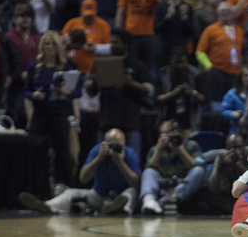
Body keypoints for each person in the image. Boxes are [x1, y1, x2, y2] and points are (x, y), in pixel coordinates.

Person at [19, 128, 141, 216]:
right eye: (111, 142)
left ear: (124, 141)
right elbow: (83, 179)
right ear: (105, 142)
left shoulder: (130, 154)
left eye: (117, 141)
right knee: (70, 193)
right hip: (99, 195)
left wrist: (120, 163)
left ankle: (118, 209)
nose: (114, 145)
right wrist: (98, 158)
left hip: (121, 195)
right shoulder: (98, 151)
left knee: (132, 193)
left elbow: (136, 183)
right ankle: (47, 206)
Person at [25, 31, 82, 188]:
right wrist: (34, 95)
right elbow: (26, 90)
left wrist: (64, 92)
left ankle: (63, 183)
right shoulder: (34, 67)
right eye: (46, 44)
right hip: (40, 113)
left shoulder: (67, 67)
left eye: (52, 44)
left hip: (59, 112)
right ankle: (37, 184)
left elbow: (76, 92)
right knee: (36, 147)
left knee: (62, 150)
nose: (49, 47)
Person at [88, 27, 153, 159]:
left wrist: (131, 83)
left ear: (125, 45)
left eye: (116, 42)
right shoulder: (102, 63)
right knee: (102, 159)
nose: (112, 45)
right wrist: (95, 82)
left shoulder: (137, 65)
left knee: (131, 160)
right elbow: (90, 91)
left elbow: (150, 90)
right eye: (111, 42)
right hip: (107, 120)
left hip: (130, 121)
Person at [139, 119, 206, 215]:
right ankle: (149, 201)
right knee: (148, 172)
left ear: (177, 132)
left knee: (199, 170)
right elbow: (149, 168)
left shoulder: (191, 145)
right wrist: (158, 150)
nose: (167, 138)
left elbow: (200, 165)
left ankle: (174, 197)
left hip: (183, 187)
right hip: (163, 186)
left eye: (168, 134)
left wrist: (180, 150)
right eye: (163, 135)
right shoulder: (155, 149)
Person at [115, 0, 164, 73]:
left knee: (150, 64)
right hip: (131, 33)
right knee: (133, 64)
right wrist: (119, 33)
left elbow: (163, 3)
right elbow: (120, 12)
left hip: (149, 33)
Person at [196, 1, 243, 103]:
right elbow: (200, 52)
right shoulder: (210, 29)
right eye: (222, 11)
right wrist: (210, 67)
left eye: (228, 11)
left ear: (233, 13)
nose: (225, 13)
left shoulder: (239, 30)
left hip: (235, 75)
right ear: (218, 13)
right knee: (216, 103)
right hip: (216, 74)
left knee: (232, 103)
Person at [156, 48, 204, 130]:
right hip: (168, 118)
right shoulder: (163, 73)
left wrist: (192, 92)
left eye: (182, 62)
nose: (180, 65)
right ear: (171, 61)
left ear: (187, 61)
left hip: (189, 120)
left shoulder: (195, 74)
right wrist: (173, 93)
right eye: (177, 62)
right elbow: (157, 98)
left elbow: (203, 98)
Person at [61, 0, 112, 75]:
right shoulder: (71, 23)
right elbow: (62, 43)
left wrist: (96, 47)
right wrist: (78, 45)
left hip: (94, 70)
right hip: (72, 68)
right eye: (86, 15)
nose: (88, 18)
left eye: (91, 16)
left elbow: (110, 48)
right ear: (81, 11)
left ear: (96, 13)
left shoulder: (103, 25)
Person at [154, 0, 192, 68]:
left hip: (181, 47)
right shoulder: (162, 7)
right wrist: (168, 17)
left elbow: (191, 32)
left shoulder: (186, 7)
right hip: (165, 47)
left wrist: (184, 19)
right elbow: (156, 29)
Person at [220, 65, 248, 135]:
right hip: (236, 130)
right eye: (245, 76)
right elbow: (223, 112)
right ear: (240, 78)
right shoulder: (232, 94)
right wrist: (233, 114)